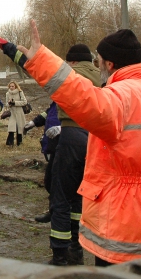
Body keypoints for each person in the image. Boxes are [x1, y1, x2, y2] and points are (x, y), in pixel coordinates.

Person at [15, 22, 141, 268]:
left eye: (98, 60)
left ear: (109, 64)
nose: (96, 65)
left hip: (122, 222)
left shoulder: (122, 95)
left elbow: (84, 98)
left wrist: (41, 61)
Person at [43, 44, 101, 267]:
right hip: (95, 139)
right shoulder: (101, 75)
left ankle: (60, 255)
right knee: (79, 194)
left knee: (61, 197)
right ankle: (76, 249)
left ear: (73, 61)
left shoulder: (70, 74)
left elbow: (38, 69)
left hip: (71, 136)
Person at [25, 102, 61, 224]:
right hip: (52, 145)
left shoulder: (75, 99)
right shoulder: (56, 101)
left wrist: (65, 129)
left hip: (66, 146)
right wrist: (34, 122)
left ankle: (59, 213)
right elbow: (47, 114)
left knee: (58, 182)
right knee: (50, 181)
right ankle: (54, 210)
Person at [5, 81, 28, 147]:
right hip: (12, 113)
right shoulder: (7, 93)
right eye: (10, 86)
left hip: (19, 112)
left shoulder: (20, 92)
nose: (11, 88)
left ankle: (19, 143)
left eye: (13, 86)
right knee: (11, 128)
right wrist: (9, 103)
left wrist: (15, 103)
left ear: (15, 86)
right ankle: (10, 143)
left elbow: (24, 102)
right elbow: (6, 104)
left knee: (19, 128)